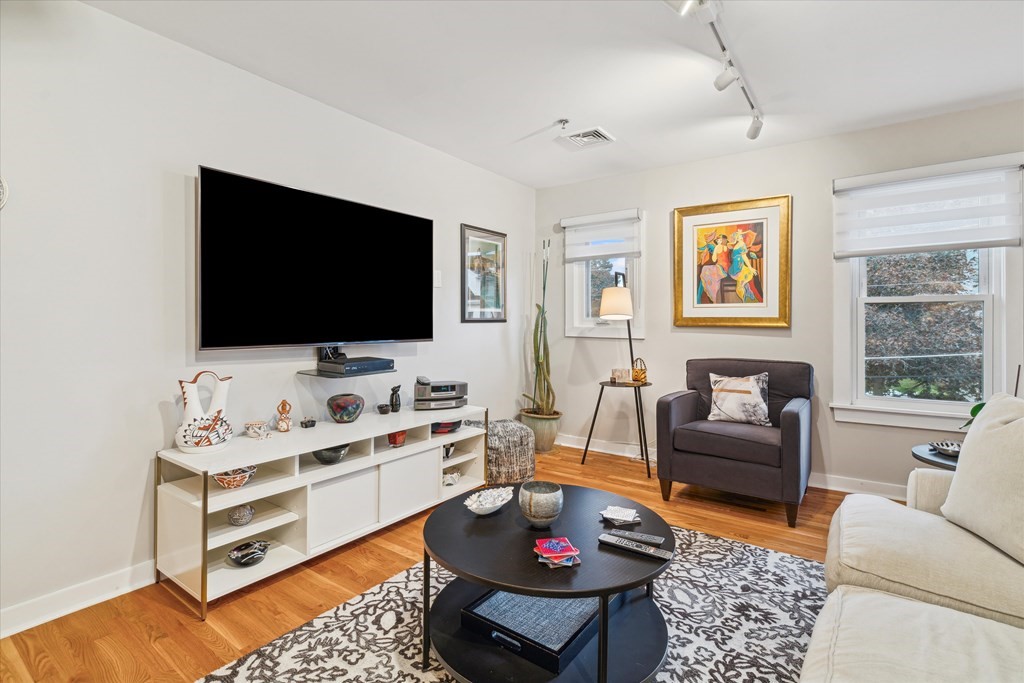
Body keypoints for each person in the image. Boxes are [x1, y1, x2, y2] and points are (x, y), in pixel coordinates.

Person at [697, 234, 731, 303]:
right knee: (706, 272)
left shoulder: (717, 247)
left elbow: (714, 259)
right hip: (727, 268)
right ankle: (700, 297)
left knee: (704, 270)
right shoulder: (726, 247)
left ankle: (700, 298)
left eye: (719, 240)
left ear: (721, 240)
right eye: (717, 240)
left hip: (720, 268)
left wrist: (714, 252)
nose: (718, 241)